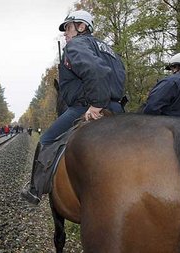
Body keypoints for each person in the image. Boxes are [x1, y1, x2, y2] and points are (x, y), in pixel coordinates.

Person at [21, 10, 126, 205]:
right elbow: (119, 78)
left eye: (68, 27)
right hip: (118, 110)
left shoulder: (77, 45)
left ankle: (35, 190)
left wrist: (96, 105)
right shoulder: (111, 51)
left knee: (46, 139)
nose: (65, 34)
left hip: (85, 107)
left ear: (81, 27)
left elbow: (96, 71)